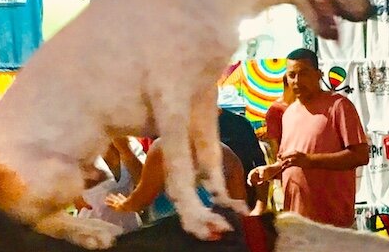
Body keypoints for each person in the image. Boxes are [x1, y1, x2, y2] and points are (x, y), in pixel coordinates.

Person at [249, 49, 368, 227]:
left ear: (318, 75)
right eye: (291, 75)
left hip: (332, 225)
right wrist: (270, 171)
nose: (297, 81)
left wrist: (310, 160)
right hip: (295, 222)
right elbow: (289, 162)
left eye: (303, 73)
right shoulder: (288, 114)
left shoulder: (338, 106)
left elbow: (360, 155)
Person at [107, 137, 249, 227]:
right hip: (215, 246)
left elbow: (142, 200)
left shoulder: (162, 150)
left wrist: (123, 205)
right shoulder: (227, 155)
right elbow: (239, 209)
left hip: (173, 245)